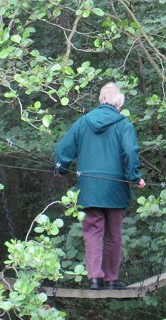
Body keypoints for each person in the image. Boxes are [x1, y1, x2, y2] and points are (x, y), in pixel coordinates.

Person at [55, 82, 145, 290]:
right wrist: (134, 177)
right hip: (116, 189)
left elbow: (63, 149)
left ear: (101, 99)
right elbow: (130, 152)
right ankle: (111, 279)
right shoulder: (124, 124)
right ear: (119, 102)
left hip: (90, 188)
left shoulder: (84, 122)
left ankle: (94, 277)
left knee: (93, 232)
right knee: (114, 235)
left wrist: (61, 169)